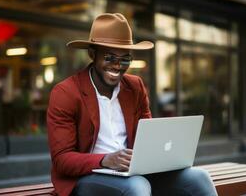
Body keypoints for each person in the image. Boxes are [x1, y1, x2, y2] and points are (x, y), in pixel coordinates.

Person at [47, 13, 217, 196]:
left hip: (133, 172)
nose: (118, 66)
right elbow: (62, 159)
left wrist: (160, 157)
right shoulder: (66, 92)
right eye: (110, 58)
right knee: (137, 186)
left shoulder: (135, 87)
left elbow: (149, 137)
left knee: (199, 178)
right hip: (87, 177)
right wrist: (106, 160)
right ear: (92, 54)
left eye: (125, 59)